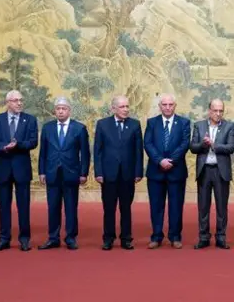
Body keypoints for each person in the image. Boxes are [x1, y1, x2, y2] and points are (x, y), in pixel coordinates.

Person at [0, 90, 39, 252]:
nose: (19, 103)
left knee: (24, 206)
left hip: (21, 168)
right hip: (2, 168)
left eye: (21, 100)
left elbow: (33, 142)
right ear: (7, 102)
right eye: (15, 100)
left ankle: (24, 238)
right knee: (4, 206)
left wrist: (18, 145)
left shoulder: (30, 119)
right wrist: (3, 147)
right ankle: (4, 239)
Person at [37, 96, 90, 250]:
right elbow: (43, 152)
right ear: (55, 111)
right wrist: (42, 171)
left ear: (69, 111)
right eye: (58, 109)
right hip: (52, 173)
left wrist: (83, 173)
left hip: (71, 173)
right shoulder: (48, 128)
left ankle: (71, 237)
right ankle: (53, 237)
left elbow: (85, 153)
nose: (60, 111)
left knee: (71, 207)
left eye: (63, 109)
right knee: (52, 206)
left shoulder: (79, 128)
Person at [94, 95, 143, 250]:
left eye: (127, 106)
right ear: (113, 108)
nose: (126, 109)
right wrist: (98, 172)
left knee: (126, 208)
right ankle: (108, 238)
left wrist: (138, 172)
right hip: (108, 174)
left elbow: (138, 151)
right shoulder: (102, 124)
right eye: (122, 107)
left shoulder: (135, 125)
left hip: (128, 175)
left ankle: (126, 238)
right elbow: (98, 151)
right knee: (109, 208)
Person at [144, 93, 191, 249]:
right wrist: (160, 160)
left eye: (171, 104)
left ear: (175, 106)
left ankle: (175, 236)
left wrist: (171, 160)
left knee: (176, 205)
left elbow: (184, 144)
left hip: (176, 171)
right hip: (156, 171)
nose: (168, 107)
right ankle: (156, 236)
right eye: (164, 104)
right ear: (160, 106)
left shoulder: (184, 122)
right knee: (156, 206)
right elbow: (148, 144)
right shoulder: (152, 123)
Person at [189, 98, 234, 249]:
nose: (218, 114)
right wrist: (203, 144)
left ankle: (221, 237)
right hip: (204, 170)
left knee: (222, 206)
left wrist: (214, 145)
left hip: (221, 170)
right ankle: (203, 237)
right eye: (215, 110)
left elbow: (231, 147)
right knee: (203, 206)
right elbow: (193, 147)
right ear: (209, 111)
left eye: (221, 110)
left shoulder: (229, 126)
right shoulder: (199, 126)